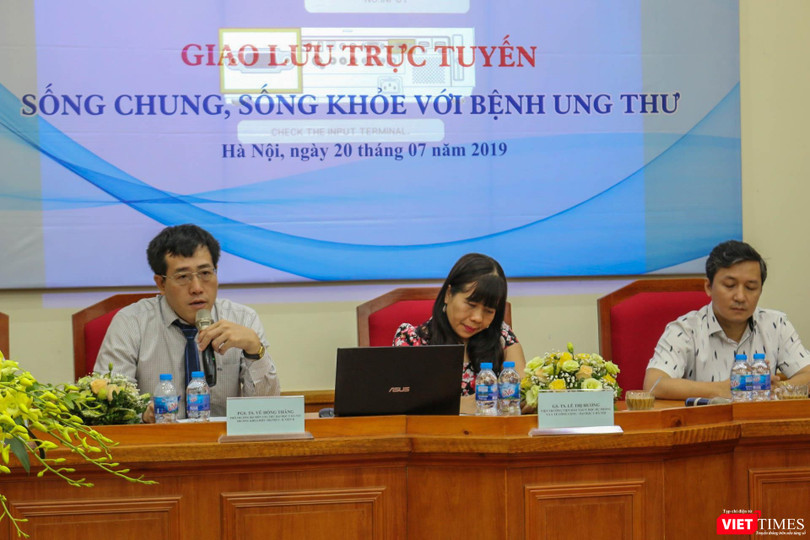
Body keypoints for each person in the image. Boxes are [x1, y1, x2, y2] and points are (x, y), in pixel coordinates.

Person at [95, 224, 280, 421]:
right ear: (161, 283)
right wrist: (142, 415)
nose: (197, 288)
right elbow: (107, 403)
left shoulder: (243, 319)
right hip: (157, 437)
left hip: (223, 438)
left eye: (205, 273)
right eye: (183, 277)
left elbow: (267, 411)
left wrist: (254, 351)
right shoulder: (131, 323)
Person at [643, 240, 810, 400]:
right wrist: (721, 389)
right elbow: (654, 384)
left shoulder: (776, 325)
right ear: (709, 287)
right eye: (730, 285)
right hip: (704, 419)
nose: (740, 297)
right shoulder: (685, 330)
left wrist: (776, 390)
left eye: (750, 287)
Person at [393, 253, 525, 414]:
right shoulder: (411, 339)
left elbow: (521, 393)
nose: (477, 318)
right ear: (448, 294)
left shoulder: (501, 336)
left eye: (488, 311)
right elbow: (400, 402)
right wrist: (461, 405)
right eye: (471, 304)